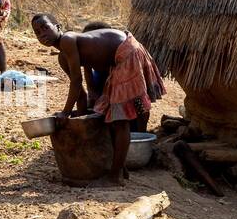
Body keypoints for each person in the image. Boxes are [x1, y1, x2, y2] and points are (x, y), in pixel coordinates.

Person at [31, 13, 165, 183]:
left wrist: (65, 113)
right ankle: (120, 170)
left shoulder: (68, 39)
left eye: (45, 27)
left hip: (127, 52)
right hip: (117, 63)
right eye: (37, 32)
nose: (42, 34)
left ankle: (114, 177)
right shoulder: (62, 57)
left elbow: (77, 82)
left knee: (120, 120)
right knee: (107, 115)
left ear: (58, 27)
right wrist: (78, 124)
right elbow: (80, 93)